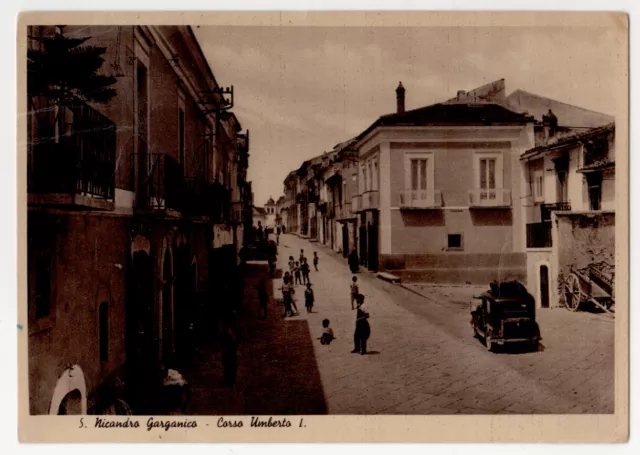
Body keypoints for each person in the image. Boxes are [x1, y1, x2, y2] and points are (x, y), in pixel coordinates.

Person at [221, 321, 239, 386]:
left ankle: (229, 380)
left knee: (230, 357)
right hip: (230, 334)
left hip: (230, 336)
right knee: (229, 357)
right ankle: (229, 379)